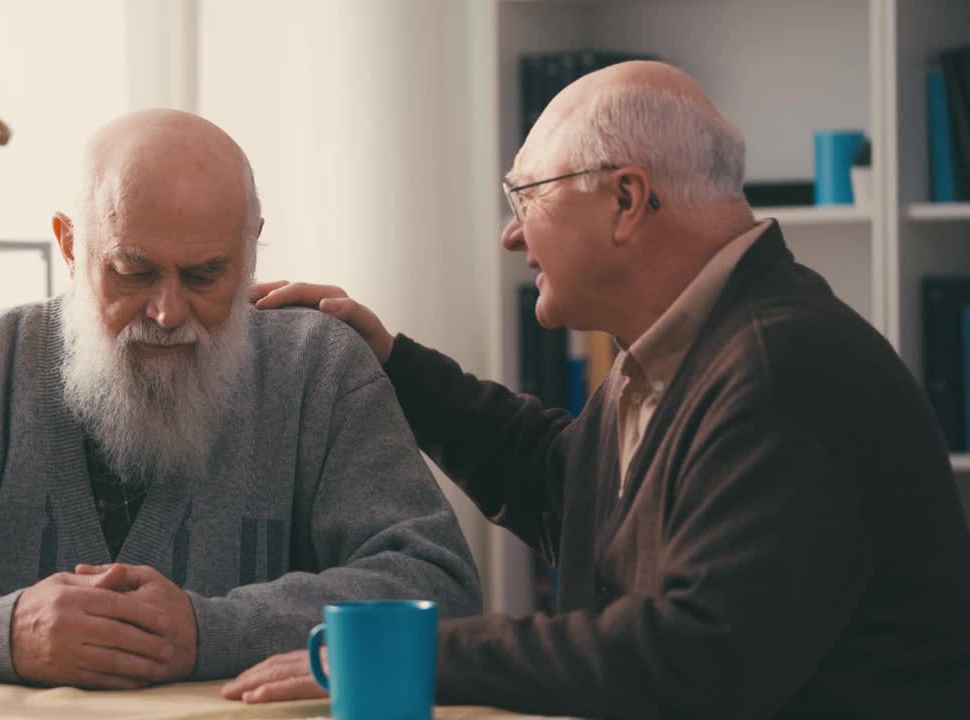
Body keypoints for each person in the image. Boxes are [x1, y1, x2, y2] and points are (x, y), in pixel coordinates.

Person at [227, 61, 970, 717]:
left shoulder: (784, 372)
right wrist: (389, 361)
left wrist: (424, 658)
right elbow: (568, 486)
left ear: (625, 201)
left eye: (527, 197)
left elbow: (694, 655)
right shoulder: (687, 351)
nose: (511, 236)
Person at [0, 109, 481, 688]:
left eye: (205, 276)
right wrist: (0, 633)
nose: (166, 312)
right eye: (132, 272)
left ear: (252, 247)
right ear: (70, 245)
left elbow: (438, 590)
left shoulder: (318, 370)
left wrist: (210, 630)